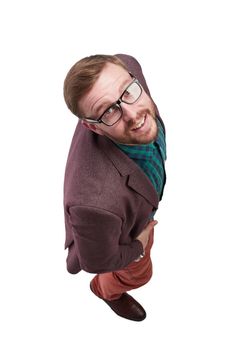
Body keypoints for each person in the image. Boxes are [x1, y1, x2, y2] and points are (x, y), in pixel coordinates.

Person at [63, 54, 166, 321]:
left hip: (134, 199)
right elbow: (96, 261)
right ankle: (105, 290)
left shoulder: (127, 67)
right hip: (126, 232)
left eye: (128, 92)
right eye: (109, 110)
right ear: (92, 127)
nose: (134, 115)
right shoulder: (94, 205)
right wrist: (138, 246)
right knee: (140, 274)